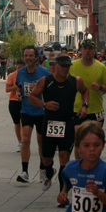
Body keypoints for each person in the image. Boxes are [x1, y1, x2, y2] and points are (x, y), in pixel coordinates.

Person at [29, 54, 89, 198]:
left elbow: (85, 91)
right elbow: (32, 97)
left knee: (64, 157)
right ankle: (49, 171)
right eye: (63, 66)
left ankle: (63, 194)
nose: (65, 69)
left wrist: (84, 106)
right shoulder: (46, 81)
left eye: (68, 66)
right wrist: (44, 104)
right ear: (55, 66)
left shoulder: (75, 81)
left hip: (67, 123)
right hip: (50, 123)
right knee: (46, 159)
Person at [15, 45, 49, 183]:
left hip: (40, 111)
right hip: (26, 110)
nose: (28, 58)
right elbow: (19, 87)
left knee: (41, 141)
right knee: (26, 140)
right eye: (25, 56)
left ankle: (43, 168)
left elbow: (49, 89)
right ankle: (24, 171)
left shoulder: (44, 72)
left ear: (36, 57)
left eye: (30, 56)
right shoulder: (21, 72)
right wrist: (18, 94)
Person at [69, 39, 106, 136]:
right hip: (77, 110)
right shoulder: (72, 66)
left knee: (93, 142)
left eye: (90, 48)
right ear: (81, 50)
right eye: (85, 48)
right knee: (79, 142)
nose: (88, 51)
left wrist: (101, 87)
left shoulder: (101, 67)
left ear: (94, 51)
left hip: (95, 111)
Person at [6, 58, 25, 152]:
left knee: (23, 122)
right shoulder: (12, 76)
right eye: (18, 68)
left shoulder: (27, 75)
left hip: (24, 101)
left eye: (21, 68)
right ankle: (20, 141)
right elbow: (7, 89)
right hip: (13, 101)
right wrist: (17, 86)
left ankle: (24, 142)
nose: (19, 70)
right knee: (17, 123)